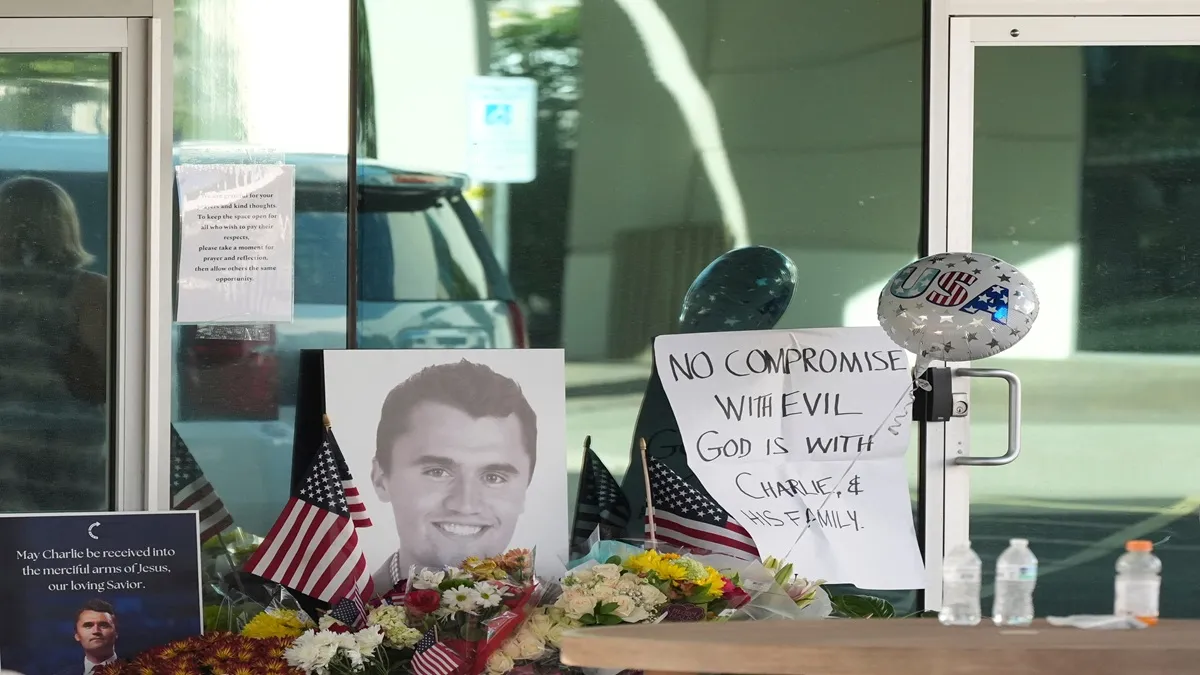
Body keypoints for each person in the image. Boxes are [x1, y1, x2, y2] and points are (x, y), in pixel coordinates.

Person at [370, 359, 538, 589]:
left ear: (525, 489)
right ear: (380, 478)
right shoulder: (334, 611)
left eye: (493, 477)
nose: (465, 505)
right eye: (437, 472)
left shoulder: (559, 611)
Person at [0, 176, 108, 512]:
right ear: (65, 225)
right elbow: (109, 376)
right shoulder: (91, 291)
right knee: (67, 550)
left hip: (5, 444)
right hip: (70, 449)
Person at [54, 599, 118, 675]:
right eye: (88, 626)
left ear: (116, 632)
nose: (96, 631)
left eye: (103, 625)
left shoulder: (135, 670)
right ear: (77, 635)